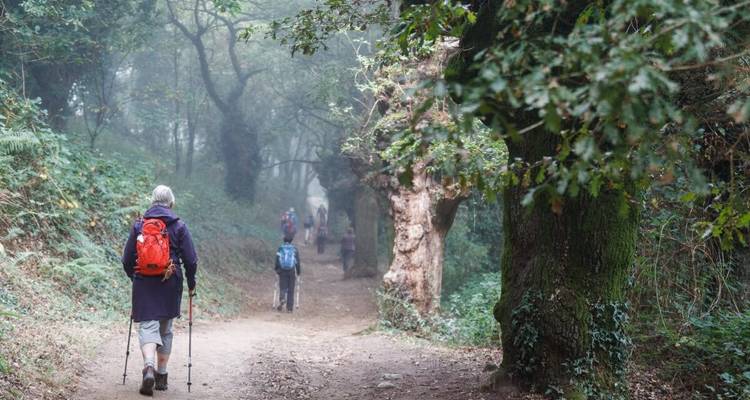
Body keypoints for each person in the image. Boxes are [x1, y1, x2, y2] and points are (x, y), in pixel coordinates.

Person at [122, 185, 197, 396]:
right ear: (171, 203)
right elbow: (191, 260)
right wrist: (191, 283)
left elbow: (127, 259)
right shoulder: (179, 226)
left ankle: (148, 367)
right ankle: (161, 375)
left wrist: (134, 277)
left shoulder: (139, 224)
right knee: (165, 329)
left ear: (152, 201)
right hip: (169, 282)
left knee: (147, 327)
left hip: (144, 282)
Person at [275, 235, 301, 312]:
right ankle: (289, 308)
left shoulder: (280, 248)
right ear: (291, 241)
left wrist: (277, 269)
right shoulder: (294, 249)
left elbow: (277, 260)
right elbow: (297, 262)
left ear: (284, 240)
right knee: (291, 289)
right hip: (291, 271)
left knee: (283, 286)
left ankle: (282, 298)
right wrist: (298, 272)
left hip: (282, 270)